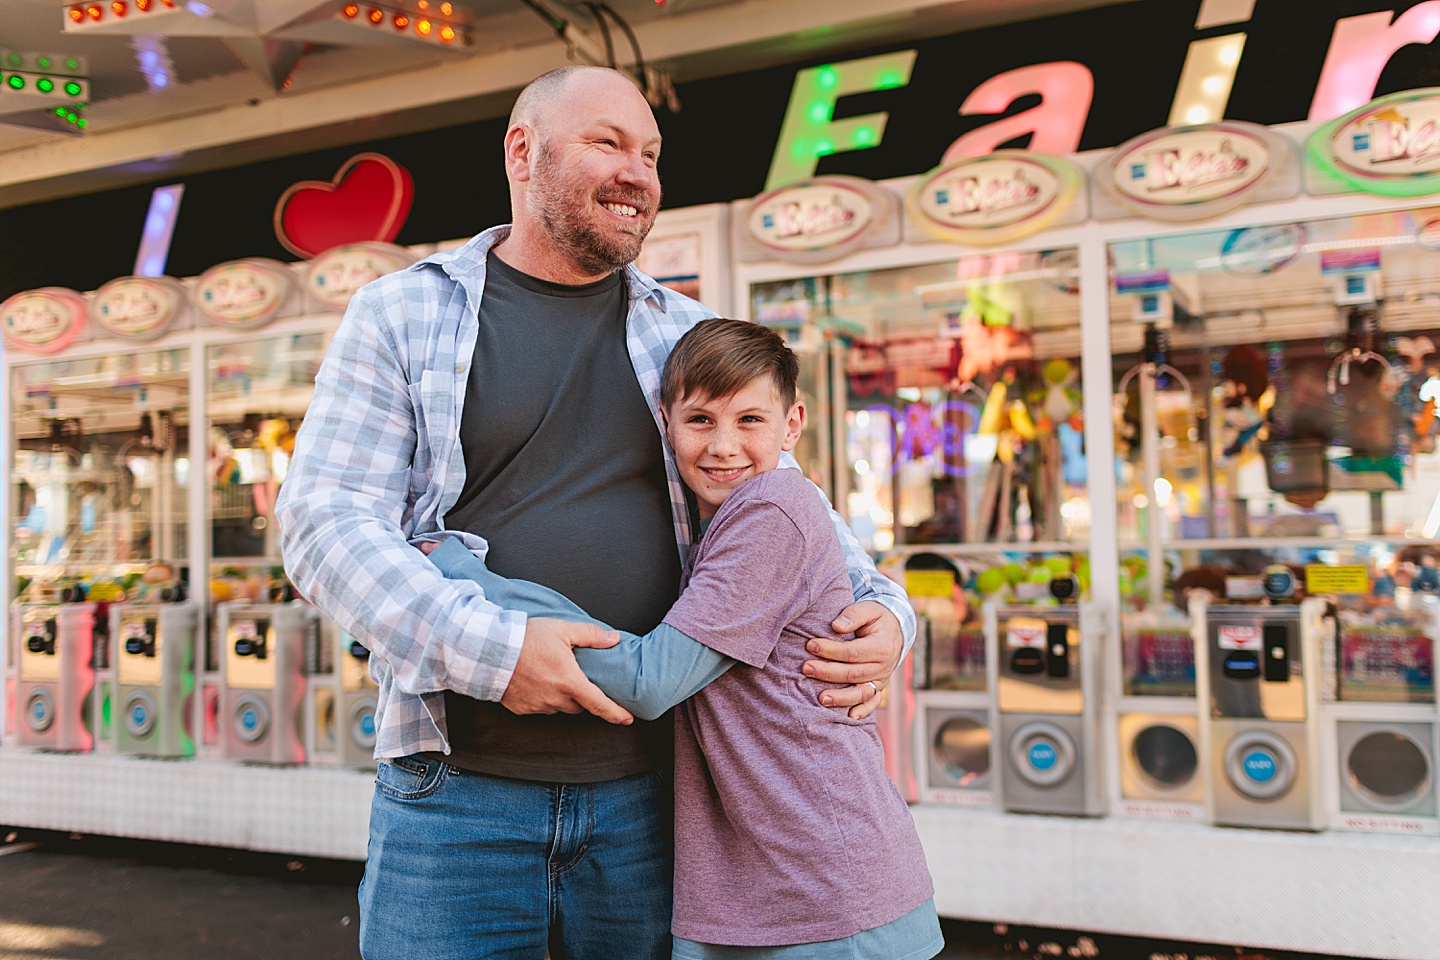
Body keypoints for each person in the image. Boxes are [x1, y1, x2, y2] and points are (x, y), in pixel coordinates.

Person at [275, 64, 916, 960]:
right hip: (454, 794)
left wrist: (889, 613)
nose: (639, 172)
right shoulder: (405, 311)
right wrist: (497, 654)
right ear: (522, 151)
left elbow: (790, 511)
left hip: (657, 799)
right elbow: (325, 524)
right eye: (608, 143)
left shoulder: (684, 336)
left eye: (650, 153)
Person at [426, 318, 942, 959]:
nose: (724, 445)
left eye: (749, 420)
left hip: (821, 886)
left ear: (792, 425)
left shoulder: (772, 511)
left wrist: (465, 574)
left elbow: (650, 682)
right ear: (665, 421)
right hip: (767, 882)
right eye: (701, 420)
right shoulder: (726, 522)